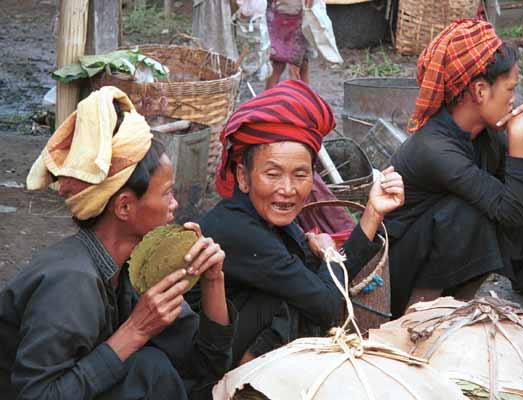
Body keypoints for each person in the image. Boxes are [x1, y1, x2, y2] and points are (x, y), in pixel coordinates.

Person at [0, 87, 237, 400]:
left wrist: (212, 279)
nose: (175, 205)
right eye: (166, 193)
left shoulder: (136, 267)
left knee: (157, 367)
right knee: (149, 371)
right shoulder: (70, 282)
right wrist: (134, 332)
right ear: (124, 206)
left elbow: (204, 369)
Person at [185, 80, 405, 366]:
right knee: (290, 302)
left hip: (227, 346)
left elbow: (325, 289)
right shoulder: (237, 230)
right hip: (198, 370)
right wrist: (328, 255)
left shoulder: (270, 219)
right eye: (273, 174)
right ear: (243, 176)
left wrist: (373, 212)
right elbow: (326, 305)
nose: (288, 189)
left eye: (300, 175)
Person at [384, 19, 523, 317]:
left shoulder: (486, 134)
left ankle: (456, 308)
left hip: (436, 259)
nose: (514, 99)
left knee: (503, 204)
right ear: (480, 90)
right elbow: (513, 213)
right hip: (397, 273)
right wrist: (519, 138)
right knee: (470, 213)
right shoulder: (435, 149)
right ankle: (417, 318)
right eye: (510, 89)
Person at [264, 0, 312, 89]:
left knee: (279, 65)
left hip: (281, 16)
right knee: (297, 67)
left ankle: (267, 99)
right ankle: (301, 99)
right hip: (298, 16)